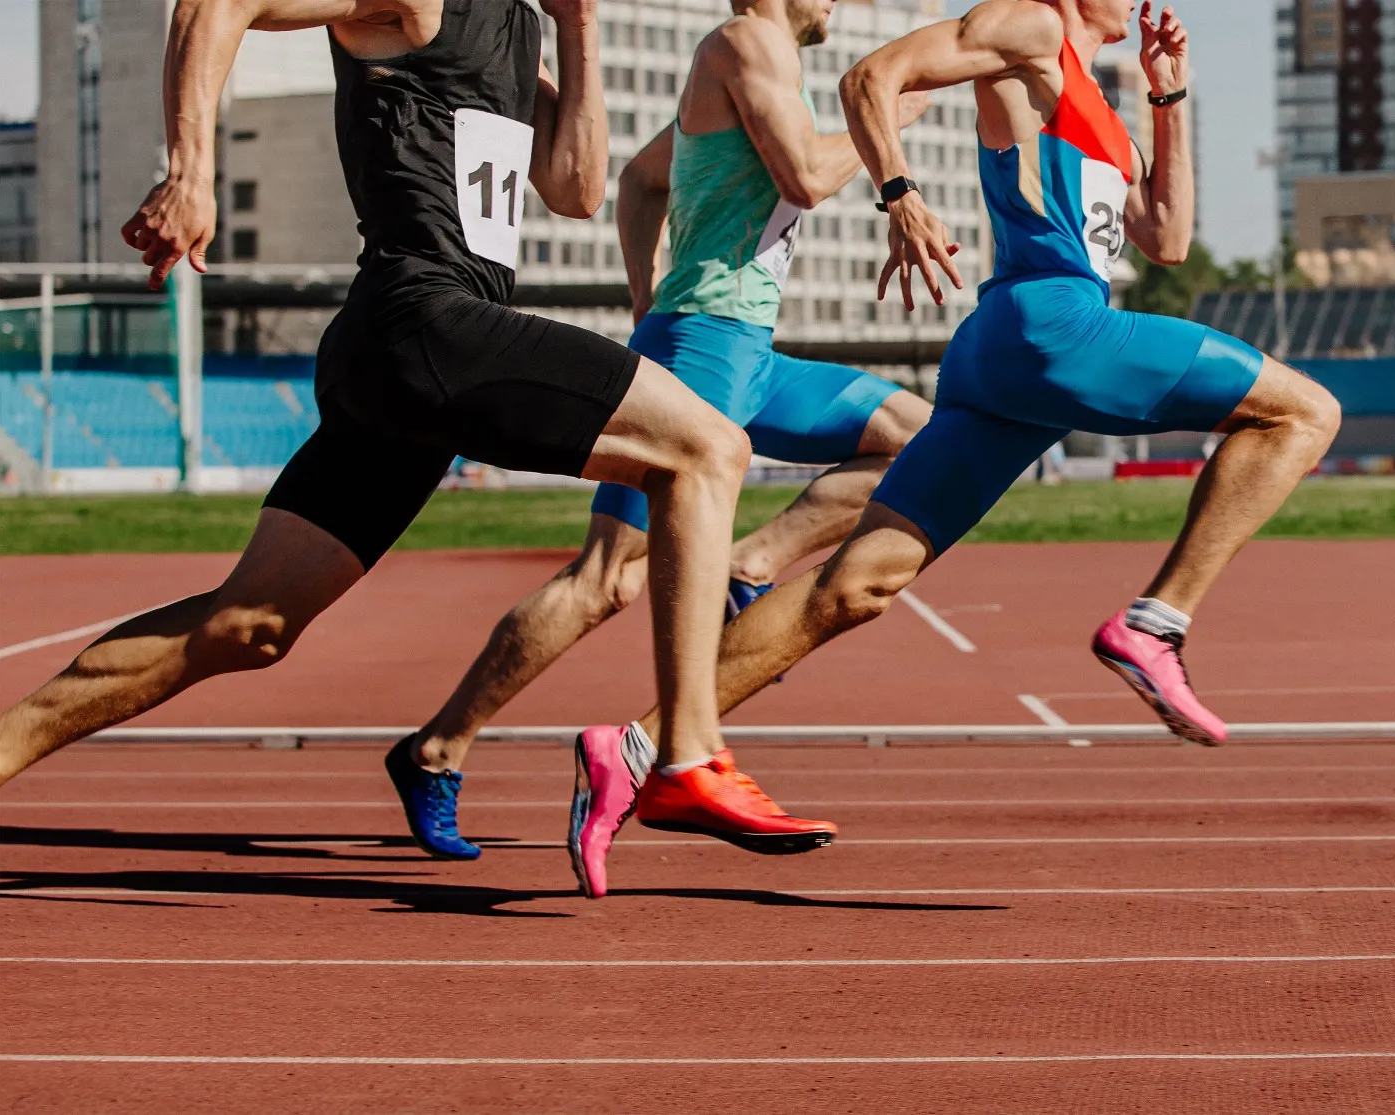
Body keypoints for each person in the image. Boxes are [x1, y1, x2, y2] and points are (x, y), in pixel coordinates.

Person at [563, 0, 1343, 895]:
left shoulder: (1096, 100)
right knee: (1304, 413)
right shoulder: (1031, 29)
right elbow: (871, 79)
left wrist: (1171, 99)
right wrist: (901, 196)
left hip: (1007, 364)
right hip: (1052, 326)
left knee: (855, 587)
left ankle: (637, 745)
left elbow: (1165, 237)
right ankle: (1154, 624)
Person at [0, 0, 780, 853]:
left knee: (246, 626)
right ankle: (686, 756)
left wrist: (578, 26)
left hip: (417, 356)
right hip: (419, 320)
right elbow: (217, 4)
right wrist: (192, 170)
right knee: (709, 448)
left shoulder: (523, 36)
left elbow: (575, 188)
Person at [380, 0, 935, 886]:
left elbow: (642, 180)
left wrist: (648, 304)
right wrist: (889, 120)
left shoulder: (760, 65)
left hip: (742, 349)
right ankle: (435, 750)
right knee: (608, 580)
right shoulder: (746, 43)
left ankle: (749, 566)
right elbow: (803, 177)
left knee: (918, 437)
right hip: (705, 348)